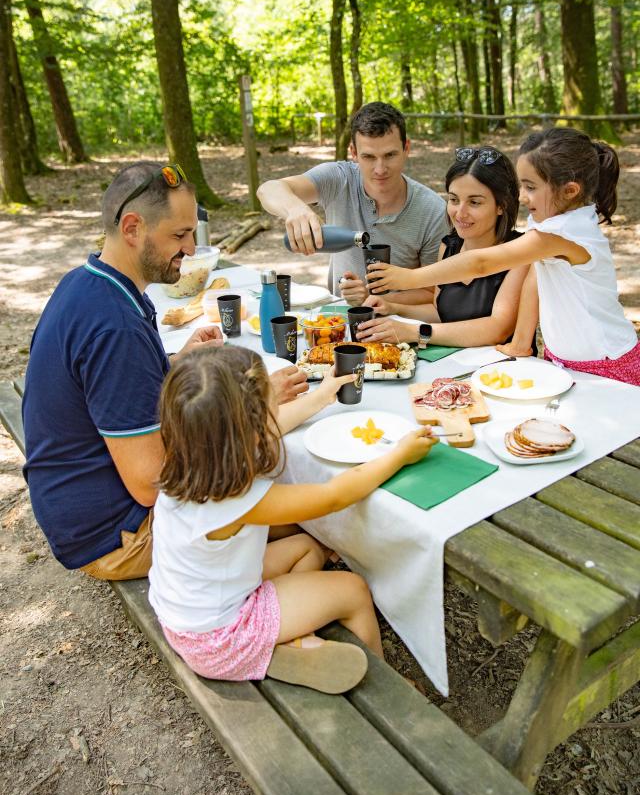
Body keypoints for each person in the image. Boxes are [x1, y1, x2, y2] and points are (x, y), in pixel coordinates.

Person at [22, 161, 310, 582]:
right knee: (304, 517)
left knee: (286, 506)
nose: (192, 250)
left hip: (76, 506)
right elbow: (151, 483)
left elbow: (115, 383)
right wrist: (251, 406)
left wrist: (178, 362)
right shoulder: (114, 327)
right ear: (134, 228)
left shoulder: (91, 283)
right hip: (118, 531)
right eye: (180, 235)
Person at [148, 345, 434, 693]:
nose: (275, 408)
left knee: (306, 547)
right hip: (218, 639)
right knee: (354, 590)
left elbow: (272, 429)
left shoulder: (196, 459)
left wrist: (322, 396)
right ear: (248, 426)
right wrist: (399, 456)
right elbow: (334, 496)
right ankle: (390, 692)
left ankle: (287, 641)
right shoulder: (234, 499)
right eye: (270, 400)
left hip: (188, 616)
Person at [367, 128, 640, 385]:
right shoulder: (546, 223)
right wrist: (521, 341)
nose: (521, 197)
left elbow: (480, 263)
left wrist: (409, 277)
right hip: (563, 359)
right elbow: (536, 277)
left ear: (569, 190)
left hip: (606, 361)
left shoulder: (566, 230)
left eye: (531, 187)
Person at [257, 101, 448, 305]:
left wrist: (372, 298)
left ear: (406, 148)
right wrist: (295, 208)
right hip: (337, 323)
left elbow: (433, 293)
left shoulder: (433, 211)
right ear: (354, 153)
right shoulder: (339, 179)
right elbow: (267, 189)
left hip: (401, 325)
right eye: (368, 157)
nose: (380, 169)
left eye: (390, 155)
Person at [354, 147, 529, 348]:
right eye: (454, 200)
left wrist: (413, 332)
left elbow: (497, 330)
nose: (460, 213)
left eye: (474, 202)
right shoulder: (449, 246)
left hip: (501, 374)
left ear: (501, 206)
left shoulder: (520, 253)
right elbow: (441, 312)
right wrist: (394, 308)